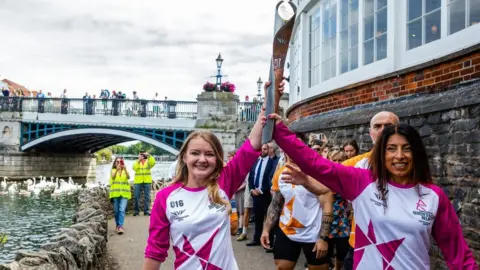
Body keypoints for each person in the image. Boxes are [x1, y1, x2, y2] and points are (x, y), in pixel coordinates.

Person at [268, 114, 477, 269]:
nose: (399, 156)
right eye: (391, 149)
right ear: (380, 153)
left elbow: (458, 253)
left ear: (417, 154)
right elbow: (316, 163)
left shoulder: (433, 196)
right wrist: (279, 130)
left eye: (407, 148)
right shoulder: (361, 182)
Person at [142, 81, 282, 270]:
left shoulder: (224, 181)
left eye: (209, 154)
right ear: (184, 157)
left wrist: (268, 100)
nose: (202, 159)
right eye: (195, 153)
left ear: (217, 159)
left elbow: (252, 145)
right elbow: (155, 251)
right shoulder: (165, 197)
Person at [261, 133, 333, 270]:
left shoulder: (317, 170)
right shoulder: (281, 173)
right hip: (287, 230)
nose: (292, 150)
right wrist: (266, 229)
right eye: (289, 146)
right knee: (282, 267)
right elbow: (276, 203)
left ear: (304, 147)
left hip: (314, 233)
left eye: (297, 146)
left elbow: (327, 204)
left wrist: (323, 238)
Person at [340, 111, 399, 270]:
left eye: (388, 126)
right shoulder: (358, 163)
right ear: (370, 133)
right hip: (361, 245)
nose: (382, 130)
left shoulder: (412, 163)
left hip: (398, 247)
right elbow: (323, 176)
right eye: (377, 126)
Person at [246, 143, 277, 248]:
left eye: (264, 149)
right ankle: (256, 239)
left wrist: (262, 190)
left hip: (266, 195)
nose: (262, 151)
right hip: (255, 195)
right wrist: (251, 189)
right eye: (261, 149)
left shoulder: (272, 163)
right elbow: (251, 177)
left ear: (269, 150)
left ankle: (270, 241)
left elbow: (271, 178)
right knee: (258, 218)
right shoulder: (255, 161)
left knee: (269, 217)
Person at [325, 150, 350, 270]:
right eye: (334, 160)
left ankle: (337, 268)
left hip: (342, 218)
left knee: (342, 249)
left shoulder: (347, 177)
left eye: (341, 160)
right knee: (325, 250)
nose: (337, 163)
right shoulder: (323, 176)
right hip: (326, 216)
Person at [109, 157, 131, 234]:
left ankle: (120, 226)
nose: (118, 163)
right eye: (117, 162)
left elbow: (128, 177)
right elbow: (113, 177)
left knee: (121, 210)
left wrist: (124, 169)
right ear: (115, 163)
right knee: (116, 211)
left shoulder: (125, 171)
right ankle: (117, 225)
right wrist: (117, 170)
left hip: (124, 194)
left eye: (120, 162)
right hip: (115, 194)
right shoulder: (113, 170)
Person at [133, 151, 156, 216]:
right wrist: (138, 160)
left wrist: (149, 155)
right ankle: (136, 211)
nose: (142, 156)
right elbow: (134, 168)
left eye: (143, 154)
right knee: (137, 196)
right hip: (138, 181)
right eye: (140, 154)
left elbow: (153, 162)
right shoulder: (136, 162)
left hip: (147, 181)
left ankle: (146, 211)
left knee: (147, 197)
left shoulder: (148, 162)